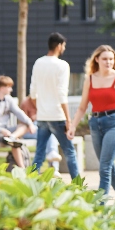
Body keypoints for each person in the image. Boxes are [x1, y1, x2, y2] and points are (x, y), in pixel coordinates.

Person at [69, 45, 115, 197]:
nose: (108, 62)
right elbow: (82, 107)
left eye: (111, 59)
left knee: (104, 167)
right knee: (108, 166)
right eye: (104, 59)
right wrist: (73, 126)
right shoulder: (89, 79)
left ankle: (100, 207)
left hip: (114, 123)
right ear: (96, 59)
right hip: (95, 123)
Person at [29, 32, 80, 178]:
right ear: (58, 46)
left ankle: (30, 182)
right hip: (57, 116)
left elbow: (33, 92)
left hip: (43, 116)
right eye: (63, 45)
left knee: (39, 153)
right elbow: (61, 93)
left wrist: (41, 108)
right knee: (69, 151)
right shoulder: (62, 65)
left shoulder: (38, 62)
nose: (64, 48)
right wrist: (68, 120)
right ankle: (77, 185)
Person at [0, 75, 36, 168]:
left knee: (24, 126)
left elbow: (19, 113)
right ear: (2, 88)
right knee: (15, 142)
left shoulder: (9, 100)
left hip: (7, 132)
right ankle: (22, 168)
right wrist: (1, 131)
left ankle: (12, 137)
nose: (11, 90)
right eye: (9, 87)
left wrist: (30, 123)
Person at [20, 96, 61, 167]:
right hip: (29, 131)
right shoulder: (25, 103)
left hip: (42, 131)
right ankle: (53, 164)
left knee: (48, 133)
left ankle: (52, 165)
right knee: (48, 133)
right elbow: (23, 122)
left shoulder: (44, 102)